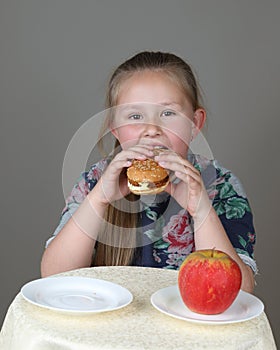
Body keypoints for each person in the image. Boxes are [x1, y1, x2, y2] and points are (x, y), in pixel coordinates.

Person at [41, 51, 257, 292]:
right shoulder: (96, 181)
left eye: (168, 113)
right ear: (115, 128)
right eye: (135, 116)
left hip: (190, 325)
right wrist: (99, 199)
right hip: (110, 324)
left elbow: (240, 292)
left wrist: (201, 210)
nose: (152, 129)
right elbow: (54, 276)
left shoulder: (220, 184)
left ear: (194, 123)